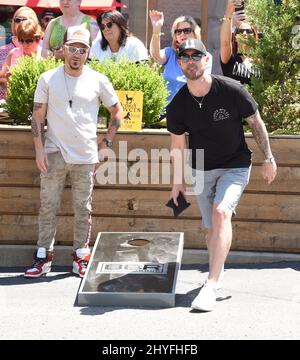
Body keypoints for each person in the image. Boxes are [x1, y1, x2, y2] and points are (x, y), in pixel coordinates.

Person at [167, 39, 277, 311]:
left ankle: (211, 284)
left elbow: (256, 122)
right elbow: (178, 145)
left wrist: (269, 158)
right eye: (185, 57)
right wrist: (177, 183)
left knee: (221, 213)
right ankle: (218, 269)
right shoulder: (178, 104)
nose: (191, 60)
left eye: (197, 55)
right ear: (180, 64)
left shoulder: (232, 90)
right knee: (210, 229)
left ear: (207, 60)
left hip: (235, 164)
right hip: (201, 167)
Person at [24, 26, 123, 278]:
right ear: (64, 49)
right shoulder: (48, 78)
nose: (77, 54)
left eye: (82, 49)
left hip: (85, 154)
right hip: (54, 151)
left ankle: (81, 254)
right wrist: (39, 150)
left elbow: (117, 112)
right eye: (73, 48)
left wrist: (107, 142)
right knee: (47, 206)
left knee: (83, 207)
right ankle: (43, 256)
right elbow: (37, 117)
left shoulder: (98, 79)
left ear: (88, 52)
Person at [149, 10, 212, 103]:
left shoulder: (204, 56)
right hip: (168, 111)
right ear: (176, 37)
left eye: (186, 31)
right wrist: (156, 29)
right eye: (178, 31)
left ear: (195, 33)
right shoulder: (169, 53)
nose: (182, 34)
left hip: (193, 108)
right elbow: (156, 56)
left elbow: (203, 83)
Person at [0, 6, 40, 100]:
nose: (21, 23)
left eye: (24, 19)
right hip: (9, 100)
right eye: (17, 20)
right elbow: (2, 75)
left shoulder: (43, 49)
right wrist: (6, 80)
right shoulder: (9, 49)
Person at [220, 0, 260, 84]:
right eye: (241, 31)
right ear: (235, 38)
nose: (245, 33)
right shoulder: (230, 58)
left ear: (254, 36)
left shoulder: (261, 61)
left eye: (248, 31)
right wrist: (229, 12)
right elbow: (225, 43)